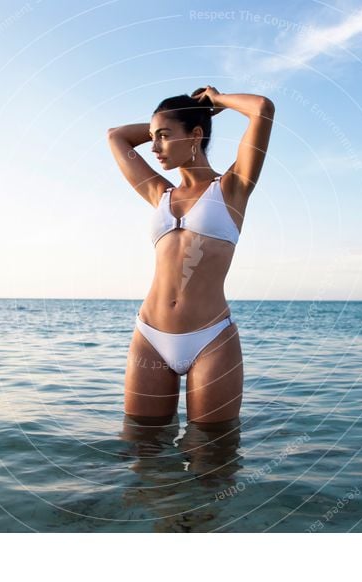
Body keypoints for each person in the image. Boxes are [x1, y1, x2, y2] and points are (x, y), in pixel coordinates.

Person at [107, 86, 274, 424]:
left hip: (210, 339)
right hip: (150, 337)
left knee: (213, 457)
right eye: (153, 138)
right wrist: (169, 123)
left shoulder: (232, 187)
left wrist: (215, 102)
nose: (154, 147)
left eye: (164, 137)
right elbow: (116, 137)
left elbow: (261, 109)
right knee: (143, 449)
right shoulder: (160, 193)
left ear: (195, 136)